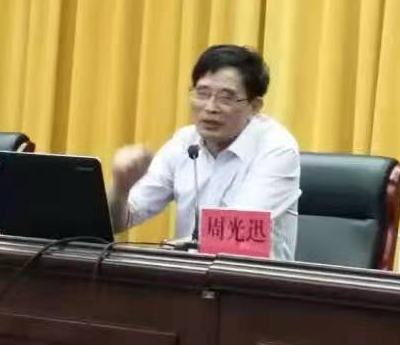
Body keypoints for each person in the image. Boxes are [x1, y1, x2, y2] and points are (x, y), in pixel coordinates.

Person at [109, 45, 300, 260]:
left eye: (226, 98)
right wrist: (120, 189)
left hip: (250, 278)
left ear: (255, 106)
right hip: (188, 275)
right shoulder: (184, 142)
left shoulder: (277, 149)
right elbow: (121, 220)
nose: (210, 107)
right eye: (202, 93)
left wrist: (178, 250)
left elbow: (238, 237)